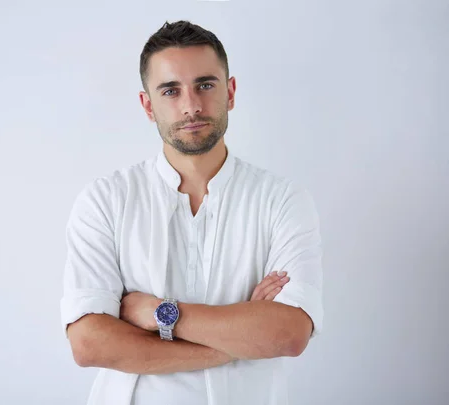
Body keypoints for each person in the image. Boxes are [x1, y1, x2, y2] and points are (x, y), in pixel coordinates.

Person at [60, 20, 323, 405]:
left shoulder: (282, 200)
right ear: (148, 105)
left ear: (230, 92)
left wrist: (156, 313)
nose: (191, 106)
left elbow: (288, 334)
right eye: (171, 90)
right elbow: (89, 344)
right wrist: (238, 341)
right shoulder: (105, 200)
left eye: (205, 84)